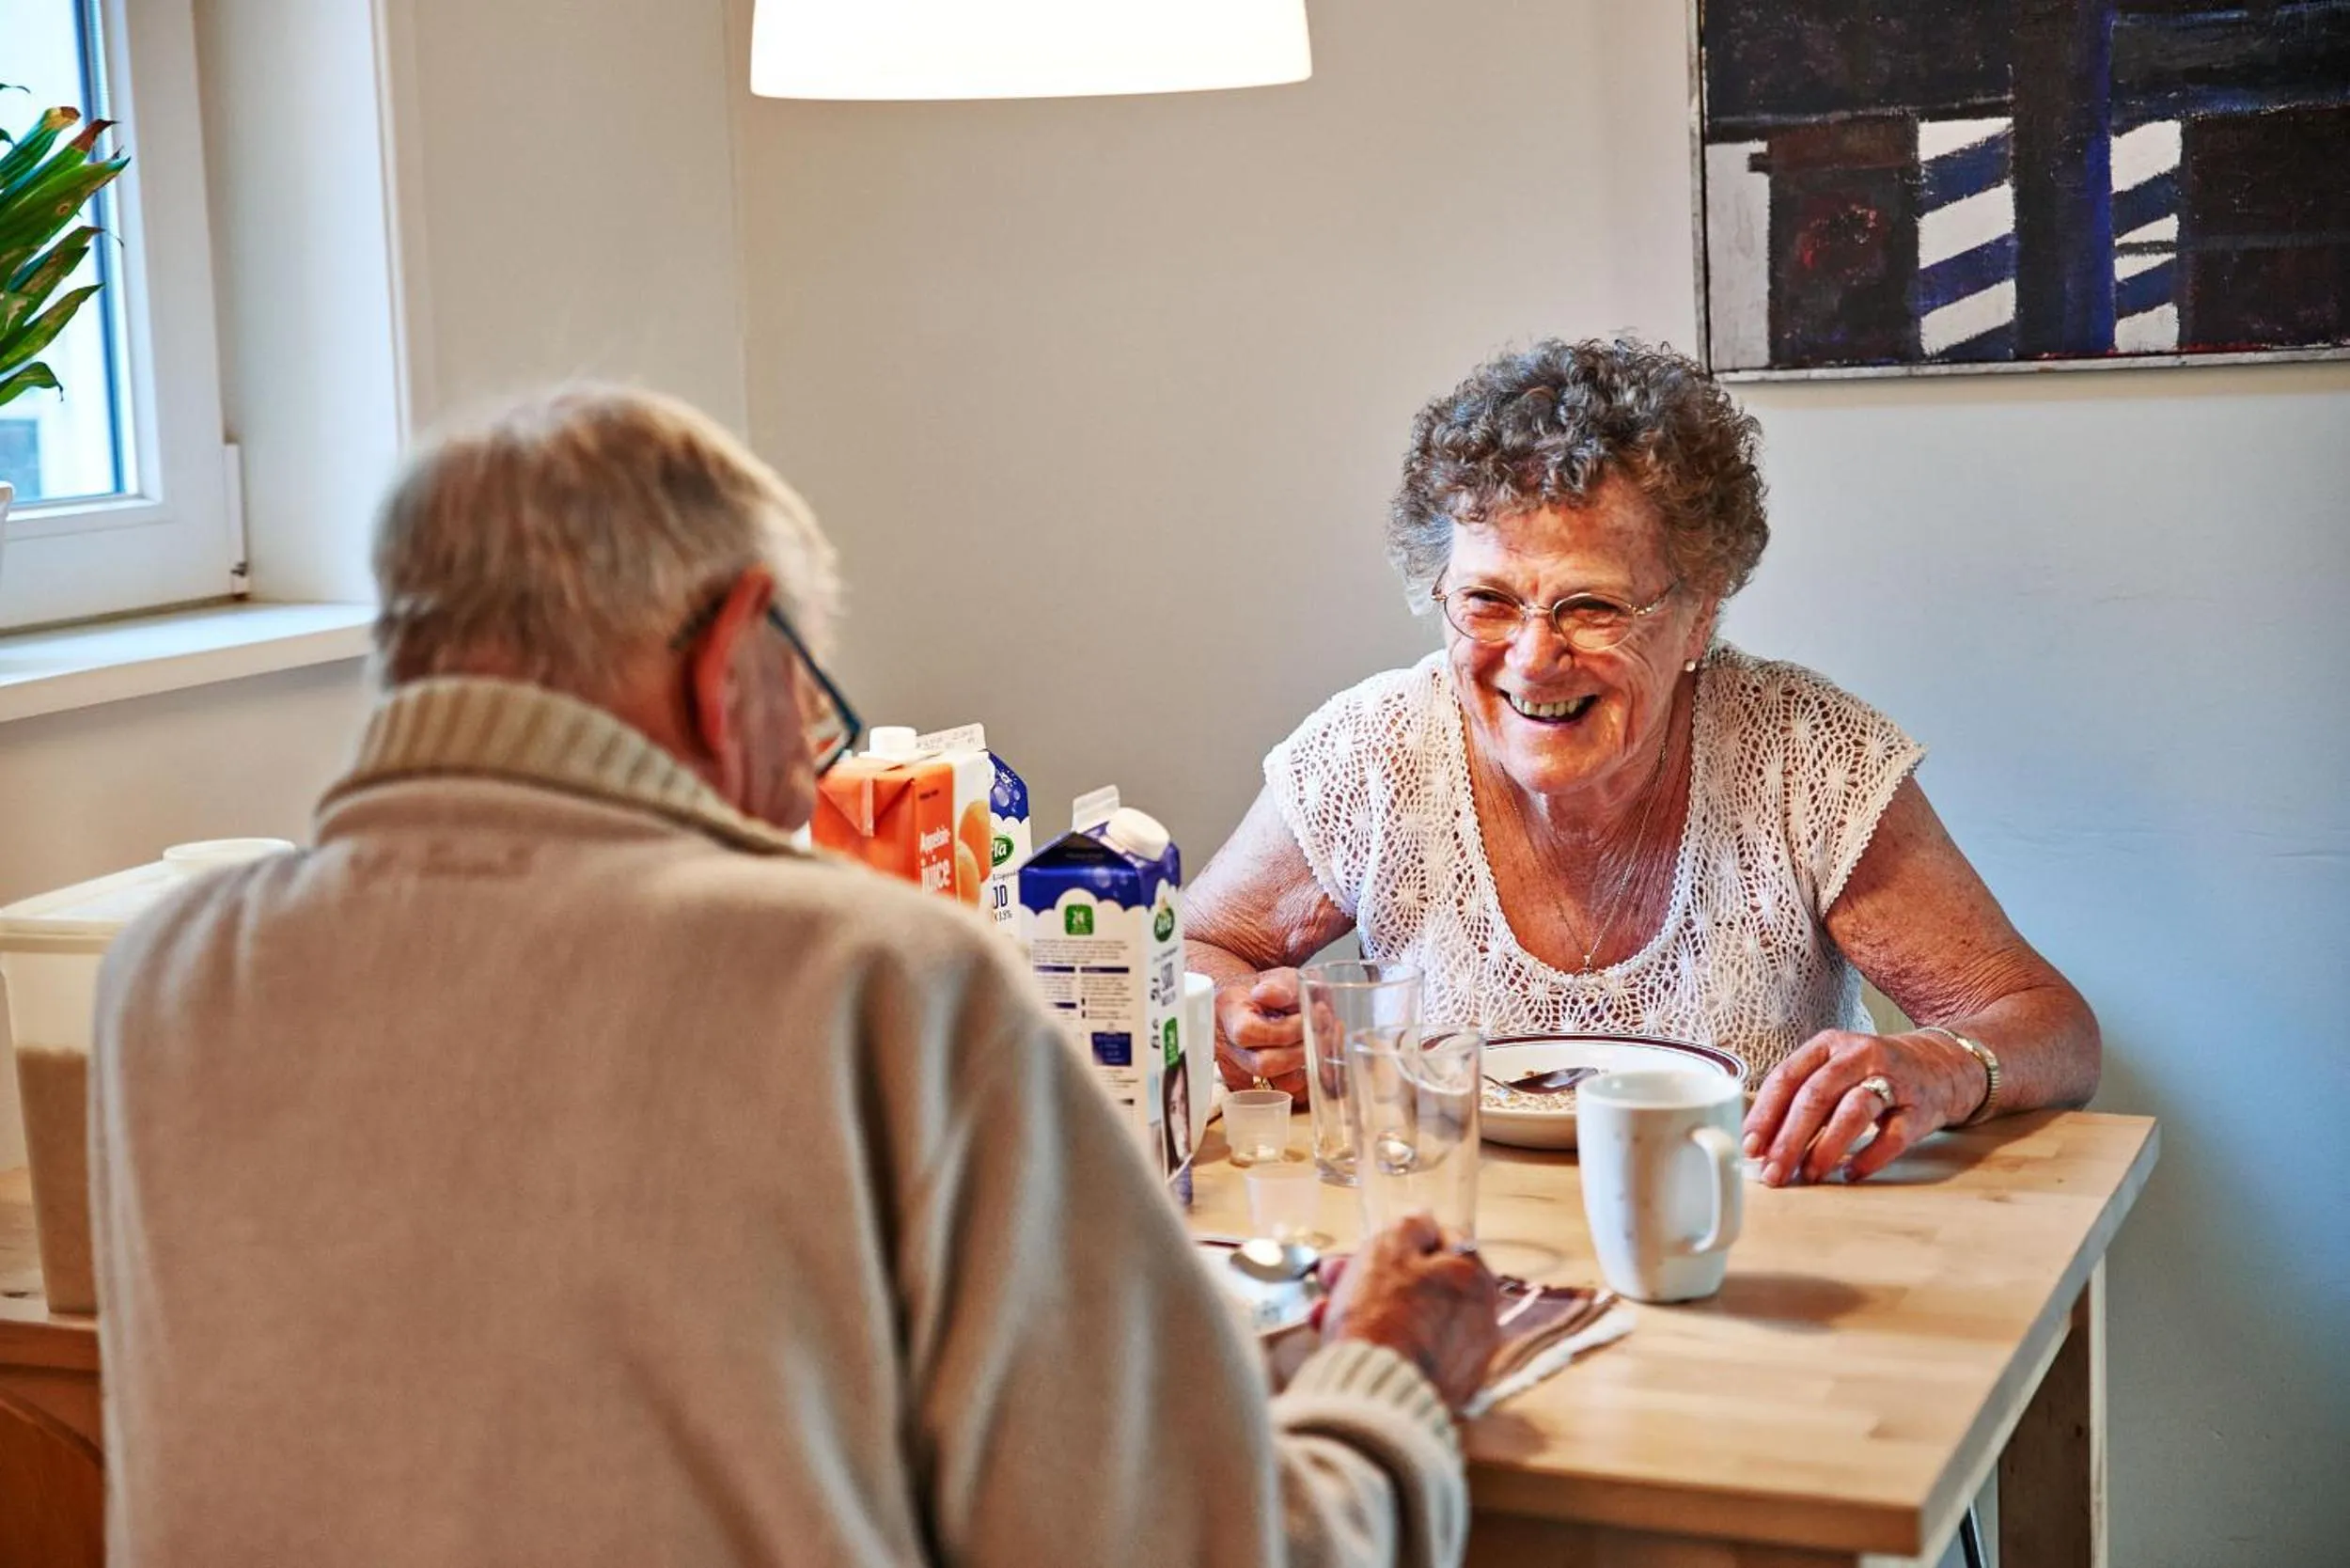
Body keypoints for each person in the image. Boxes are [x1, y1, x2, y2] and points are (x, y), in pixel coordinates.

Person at [88, 385, 1501, 1567]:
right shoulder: (870, 981)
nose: (800, 795)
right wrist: (1382, 1388)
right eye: (810, 710)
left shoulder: (167, 976)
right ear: (731, 655)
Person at [1186, 338, 2100, 1186]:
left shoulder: (1806, 757)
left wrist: (1939, 1068)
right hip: (1451, 1256)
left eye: (1590, 606)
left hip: (1738, 1251)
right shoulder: (1373, 749)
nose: (1533, 658)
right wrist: (1231, 1013)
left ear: (1699, 612)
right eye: (1488, 600)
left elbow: (2049, 1026)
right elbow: (1197, 944)